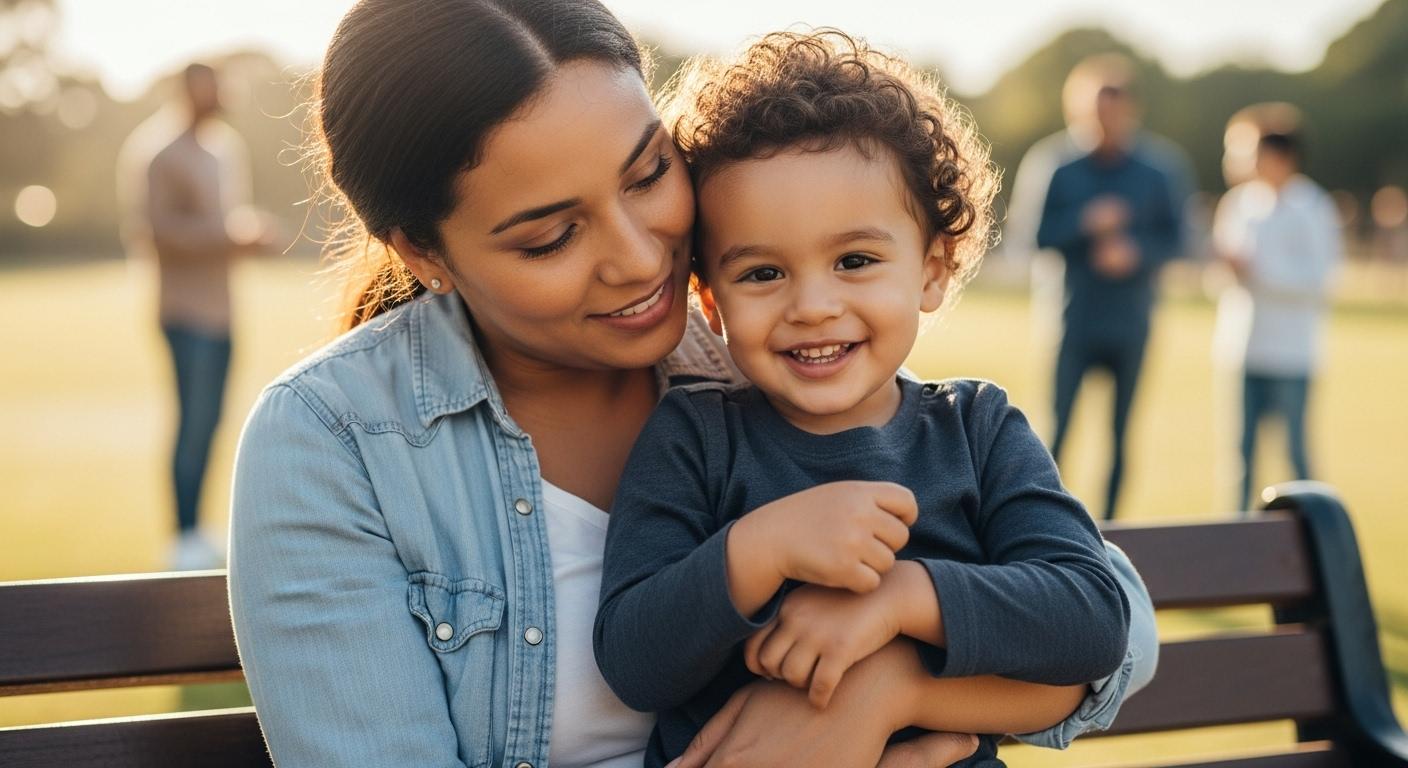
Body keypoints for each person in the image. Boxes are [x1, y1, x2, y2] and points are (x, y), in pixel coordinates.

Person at [227, 3, 1159, 767]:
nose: (641, 263)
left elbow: (1115, 626)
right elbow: (637, 654)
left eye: (647, 175)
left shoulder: (761, 362)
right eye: (551, 236)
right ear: (423, 253)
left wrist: (886, 691)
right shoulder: (334, 442)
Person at [594, 32, 1133, 768]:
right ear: (708, 301)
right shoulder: (694, 438)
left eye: (855, 261)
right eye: (761, 273)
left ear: (933, 269)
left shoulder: (977, 429)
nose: (813, 305)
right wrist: (762, 547)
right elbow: (633, 660)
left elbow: (1092, 619)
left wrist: (901, 598)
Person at [117, 62, 275, 570]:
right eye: (210, 88)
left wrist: (246, 235)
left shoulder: (223, 149)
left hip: (222, 309)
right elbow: (155, 231)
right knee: (192, 421)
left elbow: (220, 221)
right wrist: (229, 239)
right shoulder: (161, 154)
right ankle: (181, 535)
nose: (219, 96)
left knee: (212, 422)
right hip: (184, 312)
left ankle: (199, 528)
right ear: (188, 92)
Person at [1034, 57, 1188, 521]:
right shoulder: (1057, 165)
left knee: (1122, 435)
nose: (1105, 123)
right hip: (1072, 320)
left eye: (1114, 112)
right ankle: (1045, 527)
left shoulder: (1159, 169)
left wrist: (1136, 253)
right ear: (1077, 111)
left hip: (1131, 322)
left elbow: (1179, 240)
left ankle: (1113, 532)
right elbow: (1036, 236)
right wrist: (1085, 223)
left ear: (1131, 111)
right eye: (1095, 112)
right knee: (1056, 433)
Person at [1212, 124, 1340, 511]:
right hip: (1242, 347)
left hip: (1290, 351)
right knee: (1240, 453)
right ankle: (1235, 532)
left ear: (1279, 157)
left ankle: (1314, 533)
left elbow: (1319, 279)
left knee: (1296, 453)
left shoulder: (1313, 207)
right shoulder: (1237, 204)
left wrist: (1258, 271)